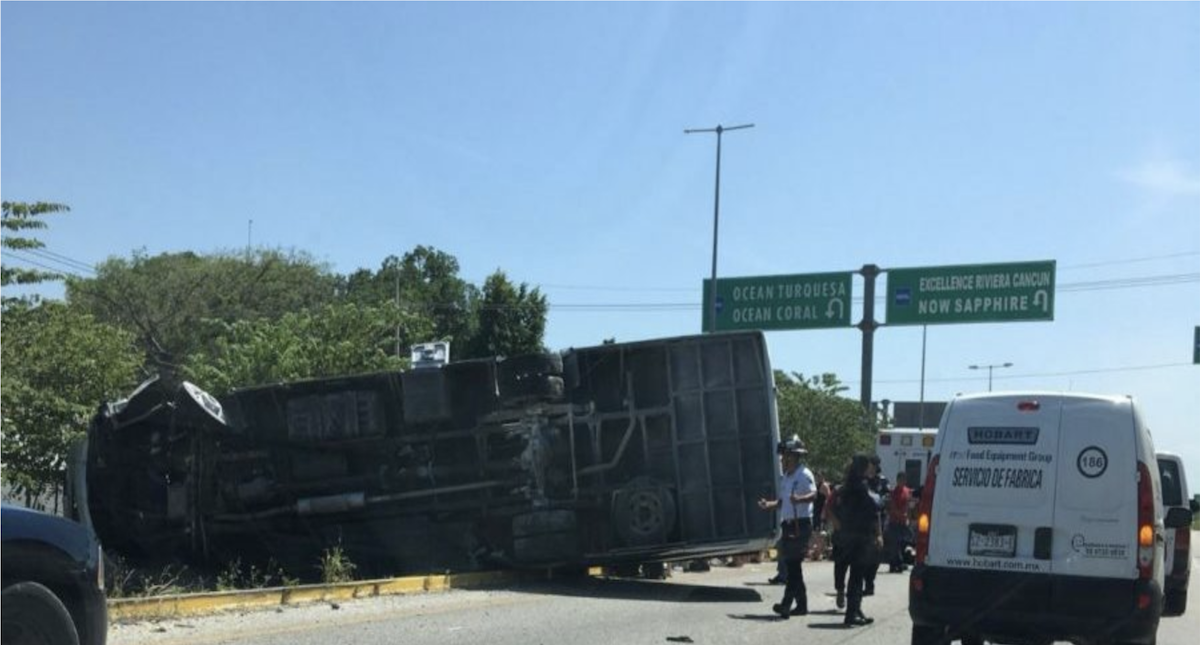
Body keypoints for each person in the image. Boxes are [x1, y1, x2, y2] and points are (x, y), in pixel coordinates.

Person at [758, 435, 816, 619]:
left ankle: (786, 604)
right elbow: (783, 502)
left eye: (786, 455)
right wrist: (769, 505)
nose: (783, 459)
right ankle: (802, 605)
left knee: (792, 566)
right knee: (793, 567)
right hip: (788, 525)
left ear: (794, 456)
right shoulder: (787, 477)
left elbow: (813, 495)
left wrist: (800, 499)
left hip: (801, 524)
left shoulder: (804, 474)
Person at [835, 453, 884, 627]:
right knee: (857, 576)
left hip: (848, 534)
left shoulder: (848, 485)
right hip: (861, 536)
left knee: (855, 575)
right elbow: (874, 505)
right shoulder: (860, 486)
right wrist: (880, 499)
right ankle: (851, 613)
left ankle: (856, 610)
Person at [862, 455, 890, 595]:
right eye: (870, 465)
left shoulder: (883, 481)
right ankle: (864, 581)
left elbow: (886, 498)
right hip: (864, 520)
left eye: (874, 465)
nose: (872, 468)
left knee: (876, 553)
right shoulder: (863, 480)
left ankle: (870, 581)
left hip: (879, 520)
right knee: (863, 553)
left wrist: (878, 502)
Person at [885, 472, 913, 573]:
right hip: (894, 521)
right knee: (895, 543)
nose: (902, 482)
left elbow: (909, 506)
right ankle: (895, 564)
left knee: (904, 542)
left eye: (904, 480)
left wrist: (908, 518)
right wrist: (900, 515)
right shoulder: (893, 492)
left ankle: (898, 562)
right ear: (897, 480)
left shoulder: (907, 491)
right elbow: (892, 507)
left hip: (903, 522)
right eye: (900, 480)